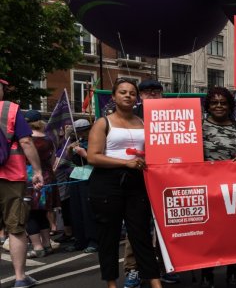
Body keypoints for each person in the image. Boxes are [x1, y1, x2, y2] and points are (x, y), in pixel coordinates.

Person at [86, 78, 162, 288]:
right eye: (123, 92)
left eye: (132, 93)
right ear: (114, 97)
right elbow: (93, 157)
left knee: (141, 235)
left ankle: (155, 282)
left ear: (137, 98)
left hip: (137, 182)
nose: (128, 95)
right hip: (107, 183)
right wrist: (125, 163)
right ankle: (111, 283)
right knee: (108, 236)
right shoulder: (103, 122)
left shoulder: (145, 123)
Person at [122, 78, 180, 287]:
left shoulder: (174, 117)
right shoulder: (130, 118)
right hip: (138, 180)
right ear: (140, 96)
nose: (153, 95)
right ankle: (133, 269)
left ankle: (167, 267)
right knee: (136, 226)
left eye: (157, 91)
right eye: (147, 92)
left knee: (166, 226)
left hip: (165, 180)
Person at [201, 86, 236, 288]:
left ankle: (233, 271)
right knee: (208, 235)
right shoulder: (197, 128)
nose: (219, 106)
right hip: (206, 191)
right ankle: (207, 273)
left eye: (223, 102)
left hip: (233, 192)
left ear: (230, 105)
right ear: (208, 105)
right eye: (214, 102)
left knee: (234, 234)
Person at [0, 77, 44, 288]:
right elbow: (26, 141)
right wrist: (37, 171)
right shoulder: (9, 110)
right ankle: (19, 278)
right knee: (15, 228)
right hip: (10, 177)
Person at [25, 118, 61, 259]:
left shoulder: (26, 139)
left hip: (31, 176)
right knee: (42, 212)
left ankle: (37, 247)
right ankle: (47, 245)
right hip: (47, 176)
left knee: (30, 213)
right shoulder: (49, 140)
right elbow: (53, 161)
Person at [66, 119, 98, 254]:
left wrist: (83, 153)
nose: (80, 134)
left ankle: (93, 240)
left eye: (82, 132)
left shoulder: (95, 141)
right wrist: (70, 150)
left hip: (90, 175)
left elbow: (95, 159)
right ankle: (79, 239)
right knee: (76, 208)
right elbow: (70, 159)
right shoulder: (77, 142)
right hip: (77, 175)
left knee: (88, 209)